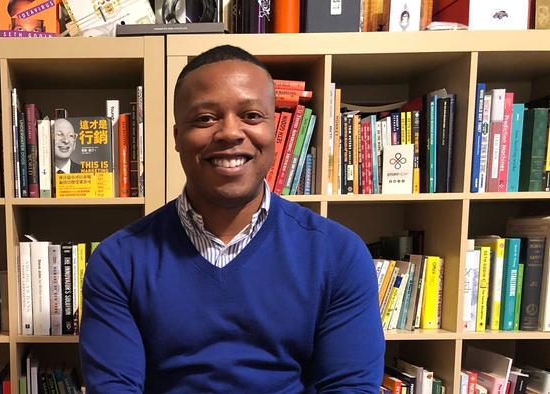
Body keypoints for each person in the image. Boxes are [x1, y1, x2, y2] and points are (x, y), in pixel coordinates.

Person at [79, 45, 384, 392]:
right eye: (205, 118)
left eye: (251, 116)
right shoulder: (119, 261)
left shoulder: (339, 254)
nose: (229, 133)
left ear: (275, 130)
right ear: (177, 137)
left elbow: (350, 386)